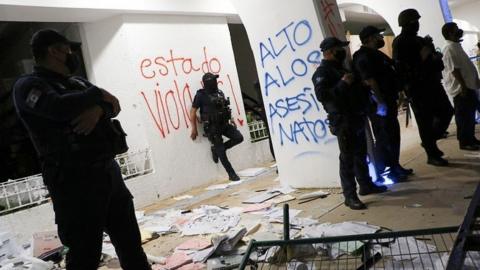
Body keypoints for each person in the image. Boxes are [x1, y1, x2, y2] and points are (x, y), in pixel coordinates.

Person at [12, 29, 151, 270]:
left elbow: (113, 105)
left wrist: (98, 109)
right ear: (54, 51)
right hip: (73, 182)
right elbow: (57, 107)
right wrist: (97, 96)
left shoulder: (77, 83)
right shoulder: (29, 86)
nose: (72, 54)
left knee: (130, 244)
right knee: (84, 254)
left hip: (108, 173)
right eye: (68, 49)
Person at [312, 37, 387, 210]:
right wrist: (343, 83)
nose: (343, 51)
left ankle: (366, 185)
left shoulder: (341, 68)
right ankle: (350, 195)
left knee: (361, 154)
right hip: (343, 120)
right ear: (329, 51)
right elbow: (323, 96)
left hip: (356, 116)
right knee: (347, 159)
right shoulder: (323, 73)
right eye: (339, 48)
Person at [352, 25, 413, 183]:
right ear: (370, 38)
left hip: (387, 100)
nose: (380, 38)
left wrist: (398, 92)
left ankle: (395, 166)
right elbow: (369, 80)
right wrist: (380, 102)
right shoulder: (362, 56)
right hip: (378, 105)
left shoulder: (376, 54)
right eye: (378, 35)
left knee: (393, 135)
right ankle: (386, 171)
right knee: (384, 137)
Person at [392, 9, 449, 166]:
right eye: (413, 22)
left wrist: (432, 54)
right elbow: (401, 68)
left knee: (446, 112)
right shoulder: (400, 42)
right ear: (406, 24)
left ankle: (430, 142)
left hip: (433, 83)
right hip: (417, 88)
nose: (417, 24)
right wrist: (422, 58)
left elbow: (436, 60)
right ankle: (432, 153)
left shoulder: (419, 40)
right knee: (425, 122)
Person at [190, 73, 244, 181]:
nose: (215, 83)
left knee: (239, 138)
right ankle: (231, 174)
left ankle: (216, 149)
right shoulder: (201, 95)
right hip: (212, 128)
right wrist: (194, 129)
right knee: (222, 153)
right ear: (208, 83)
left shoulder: (219, 93)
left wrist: (231, 119)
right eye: (213, 81)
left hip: (224, 124)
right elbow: (192, 112)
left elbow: (225, 107)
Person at [441, 22, 480, 150]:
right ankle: (464, 142)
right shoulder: (449, 48)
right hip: (461, 89)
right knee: (463, 117)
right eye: (456, 29)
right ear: (449, 33)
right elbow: (454, 70)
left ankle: (471, 138)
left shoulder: (457, 46)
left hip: (469, 86)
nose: (459, 31)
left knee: (469, 116)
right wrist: (463, 86)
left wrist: (475, 80)